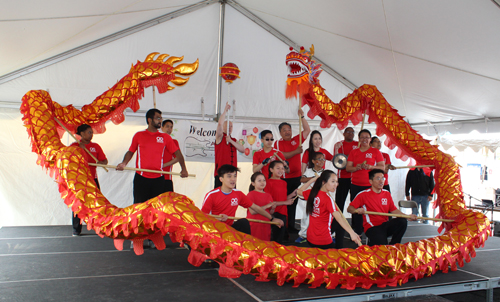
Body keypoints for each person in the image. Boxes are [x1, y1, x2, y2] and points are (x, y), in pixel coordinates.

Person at [116, 108, 188, 204]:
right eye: (158, 118)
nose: (160, 121)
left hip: (158, 179)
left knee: (156, 210)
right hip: (141, 178)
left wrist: (183, 169)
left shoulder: (165, 137)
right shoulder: (139, 135)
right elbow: (130, 151)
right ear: (149, 120)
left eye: (161, 118)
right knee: (139, 208)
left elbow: (178, 153)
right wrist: (123, 163)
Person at [202, 165, 284, 235]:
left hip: (230, 228)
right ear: (221, 179)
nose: (233, 179)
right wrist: (217, 219)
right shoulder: (211, 195)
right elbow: (202, 217)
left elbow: (255, 208)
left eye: (235, 176)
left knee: (244, 222)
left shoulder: (238, 194)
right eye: (229, 176)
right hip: (214, 229)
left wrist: (272, 219)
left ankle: (245, 249)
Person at [347, 169, 417, 246]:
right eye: (378, 178)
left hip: (385, 225)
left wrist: (407, 216)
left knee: (402, 221)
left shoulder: (387, 193)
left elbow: (393, 210)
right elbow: (350, 208)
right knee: (382, 248)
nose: (381, 181)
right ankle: (379, 243)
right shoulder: (363, 195)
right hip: (372, 227)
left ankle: (394, 246)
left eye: (383, 178)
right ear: (371, 181)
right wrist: (356, 210)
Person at [298, 170, 361, 249]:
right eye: (333, 181)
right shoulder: (327, 199)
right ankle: (338, 251)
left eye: (337, 182)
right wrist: (352, 233)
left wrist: (313, 180)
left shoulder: (312, 192)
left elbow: (299, 191)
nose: (336, 184)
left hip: (310, 239)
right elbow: (339, 218)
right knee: (339, 222)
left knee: (338, 225)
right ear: (324, 182)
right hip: (323, 241)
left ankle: (339, 249)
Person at [274, 108, 311, 233]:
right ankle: (283, 225)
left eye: (289, 129)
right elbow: (282, 155)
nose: (287, 132)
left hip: (297, 177)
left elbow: (307, 130)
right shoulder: (277, 144)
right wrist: (295, 151)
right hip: (283, 178)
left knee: (293, 202)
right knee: (284, 202)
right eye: (284, 130)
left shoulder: (297, 139)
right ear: (280, 132)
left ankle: (291, 225)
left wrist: (302, 117)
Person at [70, 124, 108, 236]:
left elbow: (104, 161)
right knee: (78, 205)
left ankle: (99, 227)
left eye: (92, 132)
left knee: (98, 203)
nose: (91, 135)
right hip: (80, 180)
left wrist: (101, 163)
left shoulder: (95, 146)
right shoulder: (74, 145)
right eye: (89, 132)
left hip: (93, 179)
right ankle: (76, 229)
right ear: (81, 134)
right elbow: (70, 160)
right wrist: (79, 149)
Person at [345, 129, 385, 235]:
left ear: (370, 139)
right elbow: (348, 168)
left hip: (369, 186)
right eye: (362, 137)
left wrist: (371, 167)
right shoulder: (354, 152)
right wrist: (356, 168)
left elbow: (382, 167)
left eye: (367, 137)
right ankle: (357, 232)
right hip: (355, 185)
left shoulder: (375, 152)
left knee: (370, 209)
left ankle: (371, 230)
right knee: (355, 209)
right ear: (358, 139)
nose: (364, 139)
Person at [332, 127, 358, 241]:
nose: (350, 134)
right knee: (339, 204)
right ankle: (336, 226)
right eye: (348, 132)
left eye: (352, 132)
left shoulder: (358, 144)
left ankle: (356, 229)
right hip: (342, 178)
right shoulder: (338, 145)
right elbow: (336, 161)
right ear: (344, 133)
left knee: (355, 203)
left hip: (354, 178)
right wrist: (337, 150)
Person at [295, 151, 325, 244]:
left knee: (322, 217)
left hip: (320, 198)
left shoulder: (325, 172)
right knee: (306, 216)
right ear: (313, 161)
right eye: (319, 159)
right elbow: (302, 179)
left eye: (323, 159)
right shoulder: (309, 171)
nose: (321, 161)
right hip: (309, 197)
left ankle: (328, 235)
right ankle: (303, 235)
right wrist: (313, 178)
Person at [214, 102, 245, 188]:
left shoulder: (234, 140)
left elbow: (242, 149)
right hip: (221, 174)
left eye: (231, 126)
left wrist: (231, 141)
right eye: (227, 125)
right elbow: (220, 124)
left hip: (232, 175)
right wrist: (225, 112)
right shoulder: (220, 138)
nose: (230, 128)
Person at [265, 160, 296, 243]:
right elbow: (269, 202)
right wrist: (285, 203)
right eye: (278, 168)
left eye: (282, 168)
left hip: (284, 213)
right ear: (271, 169)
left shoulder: (283, 182)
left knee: (282, 239)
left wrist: (292, 194)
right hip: (274, 213)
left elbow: (282, 199)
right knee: (276, 240)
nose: (281, 170)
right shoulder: (268, 183)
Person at [247, 172, 276, 241]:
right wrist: (266, 206)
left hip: (266, 223)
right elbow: (252, 212)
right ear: (253, 183)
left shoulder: (268, 195)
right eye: (259, 180)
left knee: (265, 244)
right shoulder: (250, 194)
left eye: (264, 180)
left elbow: (270, 212)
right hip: (254, 223)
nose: (262, 182)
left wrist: (273, 208)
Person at [161, 119, 180, 192]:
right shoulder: (156, 141)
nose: (169, 129)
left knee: (167, 202)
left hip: (167, 177)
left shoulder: (174, 142)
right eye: (167, 126)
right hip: (154, 177)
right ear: (162, 128)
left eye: (171, 127)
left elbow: (178, 158)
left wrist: (164, 165)